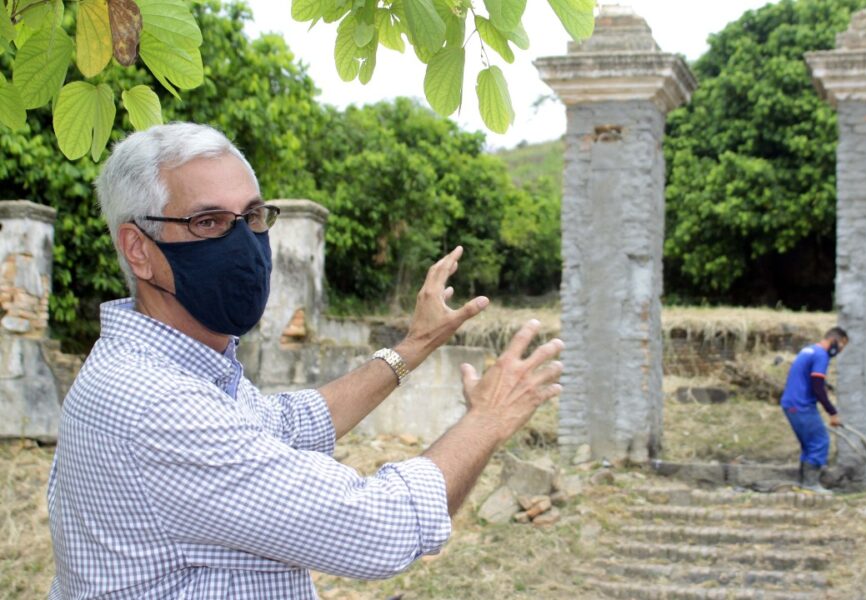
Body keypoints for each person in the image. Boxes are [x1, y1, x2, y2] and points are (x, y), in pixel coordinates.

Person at [46, 123, 564, 599]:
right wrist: (489, 419)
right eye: (208, 222)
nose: (244, 243)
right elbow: (381, 529)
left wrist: (413, 347)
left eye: (251, 216)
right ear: (138, 249)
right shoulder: (155, 403)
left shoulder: (178, 367)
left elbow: (289, 424)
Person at [779, 327, 848, 494]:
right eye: (841, 345)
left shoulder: (808, 350)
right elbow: (817, 387)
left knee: (809, 445)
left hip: (791, 403)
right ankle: (811, 484)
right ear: (834, 340)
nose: (839, 350)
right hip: (801, 405)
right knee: (820, 441)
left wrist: (826, 386)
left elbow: (809, 378)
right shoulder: (821, 355)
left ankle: (804, 483)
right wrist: (832, 412)